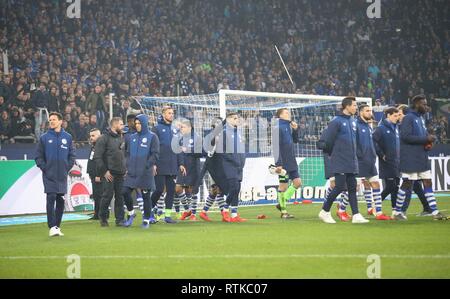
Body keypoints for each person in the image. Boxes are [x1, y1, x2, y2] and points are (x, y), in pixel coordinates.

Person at [393, 95, 447, 220]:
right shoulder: (409, 118)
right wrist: (425, 139)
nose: (426, 106)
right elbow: (405, 137)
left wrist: (428, 142)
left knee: (427, 181)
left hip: (421, 156)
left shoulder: (420, 118)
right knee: (406, 183)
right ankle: (397, 212)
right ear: (417, 104)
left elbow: (421, 137)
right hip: (410, 157)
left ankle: (434, 212)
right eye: (424, 104)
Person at [318, 97, 369, 224]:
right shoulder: (336, 121)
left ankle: (356, 215)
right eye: (354, 105)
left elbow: (355, 141)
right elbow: (328, 141)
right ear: (347, 106)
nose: (356, 108)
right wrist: (333, 155)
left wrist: (358, 155)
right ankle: (324, 211)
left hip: (351, 160)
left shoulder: (352, 121)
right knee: (339, 187)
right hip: (340, 159)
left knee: (352, 187)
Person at [35, 112, 76, 236]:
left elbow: (72, 155)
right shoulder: (44, 138)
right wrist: (45, 168)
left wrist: (66, 168)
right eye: (50, 120)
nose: (51, 121)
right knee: (51, 197)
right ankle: (51, 226)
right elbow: (38, 157)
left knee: (60, 200)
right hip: (49, 174)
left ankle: (57, 227)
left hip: (62, 175)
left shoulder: (68, 137)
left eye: (54, 119)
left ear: (60, 121)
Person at [352, 104, 390, 220]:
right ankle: (341, 208)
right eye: (367, 111)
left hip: (370, 161)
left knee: (375, 184)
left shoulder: (369, 126)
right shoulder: (356, 125)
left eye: (370, 110)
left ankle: (378, 212)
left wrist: (374, 155)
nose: (370, 113)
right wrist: (358, 155)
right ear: (361, 112)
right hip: (359, 161)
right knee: (355, 187)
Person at [150, 106, 186, 224]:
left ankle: (168, 215)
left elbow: (178, 147)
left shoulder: (175, 129)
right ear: (163, 114)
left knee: (171, 190)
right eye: (169, 113)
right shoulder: (156, 129)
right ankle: (148, 211)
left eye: (172, 113)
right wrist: (154, 163)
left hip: (172, 165)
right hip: (160, 164)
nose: (171, 115)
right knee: (159, 189)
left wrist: (181, 163)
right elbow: (153, 147)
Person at [123, 114, 160, 228]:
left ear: (144, 124)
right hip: (132, 172)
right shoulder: (131, 137)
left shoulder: (152, 137)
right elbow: (127, 153)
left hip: (145, 172)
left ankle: (146, 220)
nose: (137, 125)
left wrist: (147, 165)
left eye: (139, 123)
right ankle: (131, 213)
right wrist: (128, 165)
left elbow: (155, 154)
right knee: (124, 192)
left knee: (146, 196)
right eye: (136, 123)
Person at [397, 104, 433, 217]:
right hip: (406, 159)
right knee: (415, 186)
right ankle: (427, 208)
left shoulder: (410, 122)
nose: (398, 116)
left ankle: (401, 210)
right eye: (397, 114)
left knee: (409, 184)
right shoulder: (397, 125)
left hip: (412, 160)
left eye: (400, 114)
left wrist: (427, 141)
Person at [94, 117, 127, 227]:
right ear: (115, 125)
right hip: (109, 173)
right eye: (121, 124)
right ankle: (103, 218)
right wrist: (104, 172)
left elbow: (123, 155)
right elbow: (97, 157)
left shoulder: (122, 138)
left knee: (120, 196)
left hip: (120, 172)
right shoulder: (103, 138)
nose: (123, 126)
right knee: (107, 196)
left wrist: (125, 168)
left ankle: (120, 219)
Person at [216, 112, 247, 222]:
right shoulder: (224, 133)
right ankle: (225, 209)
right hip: (229, 165)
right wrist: (232, 159)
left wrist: (243, 160)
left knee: (237, 189)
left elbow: (241, 148)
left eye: (237, 118)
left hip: (239, 165)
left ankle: (234, 215)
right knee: (233, 187)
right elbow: (221, 151)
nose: (237, 120)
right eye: (234, 118)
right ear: (228, 120)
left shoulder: (238, 132)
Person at [272, 108, 302, 219]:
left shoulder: (288, 126)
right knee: (283, 186)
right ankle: (284, 212)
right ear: (280, 115)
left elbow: (295, 140)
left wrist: (295, 130)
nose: (288, 114)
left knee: (298, 183)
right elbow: (275, 147)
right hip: (283, 162)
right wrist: (278, 163)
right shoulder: (277, 127)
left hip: (291, 161)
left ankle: (281, 203)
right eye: (286, 112)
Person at [372, 107, 401, 216]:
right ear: (388, 115)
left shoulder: (396, 128)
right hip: (387, 162)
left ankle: (394, 210)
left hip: (397, 161)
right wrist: (381, 155)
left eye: (398, 116)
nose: (397, 118)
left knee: (396, 187)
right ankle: (376, 205)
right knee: (390, 186)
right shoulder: (381, 128)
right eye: (395, 115)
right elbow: (373, 141)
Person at [175, 119, 203, 221]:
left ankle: (193, 214)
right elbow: (179, 153)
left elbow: (201, 152)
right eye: (181, 127)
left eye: (183, 127)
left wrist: (189, 150)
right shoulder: (181, 139)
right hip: (183, 167)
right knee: (178, 188)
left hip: (193, 167)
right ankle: (187, 210)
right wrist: (181, 164)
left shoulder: (197, 138)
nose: (181, 129)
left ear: (189, 128)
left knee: (191, 190)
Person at [87, 128, 102, 220]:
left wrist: (99, 174)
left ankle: (101, 214)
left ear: (99, 136)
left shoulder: (101, 147)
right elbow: (91, 161)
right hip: (93, 175)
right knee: (96, 195)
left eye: (93, 136)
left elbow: (101, 162)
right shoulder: (93, 146)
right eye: (90, 136)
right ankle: (97, 214)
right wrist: (90, 172)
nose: (91, 138)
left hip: (98, 175)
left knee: (99, 195)